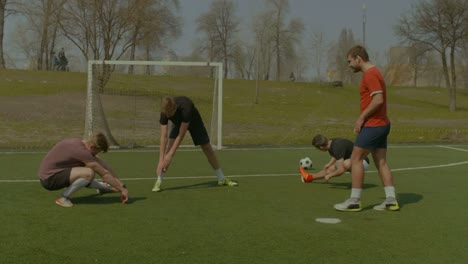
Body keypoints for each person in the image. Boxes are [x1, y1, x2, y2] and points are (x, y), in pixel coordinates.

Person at [334, 45, 399, 212]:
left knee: (355, 159)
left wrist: (361, 118)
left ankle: (354, 200)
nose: (349, 65)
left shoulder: (370, 74)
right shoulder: (374, 73)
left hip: (374, 125)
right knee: (381, 162)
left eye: (350, 61)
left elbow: (378, 99)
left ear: (358, 59)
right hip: (381, 125)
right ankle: (391, 200)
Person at [152, 96, 238, 192]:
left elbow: (181, 134)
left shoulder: (186, 107)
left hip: (194, 120)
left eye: (169, 114)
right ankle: (159, 180)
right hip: (178, 123)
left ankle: (221, 178)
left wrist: (169, 156)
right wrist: (161, 160)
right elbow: (163, 137)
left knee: (207, 147)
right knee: (168, 149)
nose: (167, 116)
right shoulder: (164, 112)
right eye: (166, 114)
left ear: (174, 108)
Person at [38, 132, 129, 207]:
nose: (97, 154)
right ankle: (63, 198)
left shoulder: (82, 144)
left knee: (86, 172)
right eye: (98, 151)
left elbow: (104, 166)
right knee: (88, 173)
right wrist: (122, 190)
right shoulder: (82, 152)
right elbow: (104, 174)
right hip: (49, 180)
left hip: (54, 173)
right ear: (92, 147)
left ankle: (103, 188)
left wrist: (121, 185)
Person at [299, 134, 369, 182]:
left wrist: (330, 175)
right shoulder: (331, 142)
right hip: (352, 161)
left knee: (345, 164)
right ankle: (309, 177)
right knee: (329, 169)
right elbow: (338, 154)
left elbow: (341, 170)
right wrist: (329, 164)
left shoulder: (337, 146)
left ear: (321, 147)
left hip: (362, 162)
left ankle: (358, 182)